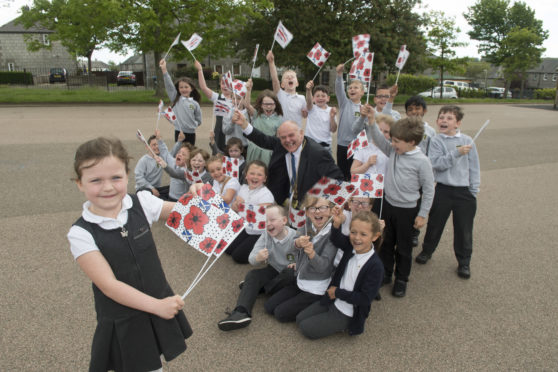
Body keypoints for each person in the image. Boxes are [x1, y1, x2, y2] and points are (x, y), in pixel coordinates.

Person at [67, 137, 192, 371]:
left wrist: (199, 198)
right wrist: (157, 306)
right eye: (95, 180)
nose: (107, 187)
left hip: (158, 303)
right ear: (80, 184)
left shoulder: (140, 203)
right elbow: (109, 286)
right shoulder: (80, 233)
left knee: (152, 361)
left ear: (127, 176)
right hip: (126, 317)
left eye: (116, 177)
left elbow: (183, 212)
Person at [363, 105, 435, 298]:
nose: (392, 144)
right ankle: (386, 273)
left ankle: (401, 278)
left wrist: (422, 214)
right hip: (388, 206)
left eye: (396, 141)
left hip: (407, 210)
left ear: (411, 142)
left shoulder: (422, 161)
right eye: (392, 140)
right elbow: (379, 139)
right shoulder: (394, 151)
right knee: (386, 242)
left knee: (403, 248)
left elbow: (429, 190)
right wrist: (371, 121)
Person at [296, 208, 384, 340]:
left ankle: (346, 324)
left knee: (306, 328)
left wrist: (338, 292)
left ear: (375, 236)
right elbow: (336, 239)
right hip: (333, 299)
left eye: (363, 234)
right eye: (353, 232)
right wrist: (336, 224)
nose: (357, 238)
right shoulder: (351, 246)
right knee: (299, 318)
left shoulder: (375, 266)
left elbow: (365, 298)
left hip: (347, 311)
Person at [415, 106, 480, 279]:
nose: (444, 120)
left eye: (449, 118)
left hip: (464, 193)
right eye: (441, 117)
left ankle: (464, 261)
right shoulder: (436, 141)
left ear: (458, 123)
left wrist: (473, 190)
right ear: (437, 121)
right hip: (443, 189)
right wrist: (456, 153)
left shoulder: (467, 140)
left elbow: (474, 167)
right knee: (435, 224)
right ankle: (427, 251)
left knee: (464, 229)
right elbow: (435, 163)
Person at [232, 112, 344, 209]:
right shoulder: (281, 144)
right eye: (283, 137)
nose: (288, 140)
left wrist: (321, 204)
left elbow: (337, 179)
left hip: (307, 207)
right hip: (284, 201)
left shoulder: (317, 153)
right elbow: (263, 139)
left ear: (301, 133)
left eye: (291, 135)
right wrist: (244, 124)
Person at [217, 204, 297, 331]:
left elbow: (306, 259)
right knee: (252, 275)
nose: (268, 224)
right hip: (274, 270)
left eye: (272, 220)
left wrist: (297, 263)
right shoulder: (266, 235)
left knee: (289, 273)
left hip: (290, 276)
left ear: (284, 221)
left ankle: (259, 287)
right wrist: (258, 258)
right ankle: (241, 312)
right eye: (265, 221)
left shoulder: (295, 237)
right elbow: (251, 258)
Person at [264, 196, 337, 323]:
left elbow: (322, 267)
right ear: (307, 212)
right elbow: (291, 250)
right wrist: (297, 243)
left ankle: (318, 303)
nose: (318, 211)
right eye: (312, 208)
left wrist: (312, 254)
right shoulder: (306, 224)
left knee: (280, 314)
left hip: (315, 287)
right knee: (268, 307)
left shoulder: (333, 235)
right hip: (300, 278)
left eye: (323, 207)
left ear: (330, 211)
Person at [227, 160, 275, 263]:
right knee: (227, 249)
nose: (255, 177)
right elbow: (236, 208)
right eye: (252, 173)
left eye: (259, 175)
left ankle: (268, 247)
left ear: (265, 178)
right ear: (246, 175)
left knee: (237, 257)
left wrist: (243, 207)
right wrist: (235, 206)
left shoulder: (266, 195)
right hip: (246, 226)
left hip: (260, 232)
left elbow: (260, 220)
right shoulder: (243, 188)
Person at [404, 95, 437, 247]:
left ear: (424, 110)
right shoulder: (402, 128)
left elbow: (433, 154)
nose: (414, 112)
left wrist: (431, 177)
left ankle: (414, 233)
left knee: (418, 205)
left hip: (421, 174)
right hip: (405, 173)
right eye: (410, 109)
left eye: (417, 108)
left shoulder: (430, 131)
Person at [160, 59, 202, 144]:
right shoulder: (176, 98)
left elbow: (199, 120)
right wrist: (164, 70)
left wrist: (193, 125)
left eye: (186, 87)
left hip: (191, 133)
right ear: (178, 89)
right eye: (181, 87)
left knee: (190, 154)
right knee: (179, 154)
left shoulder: (195, 104)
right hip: (179, 132)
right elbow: (169, 86)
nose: (183, 89)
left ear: (192, 88)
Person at [335, 63, 365, 180]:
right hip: (342, 145)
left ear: (362, 92)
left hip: (356, 147)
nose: (352, 89)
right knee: (342, 174)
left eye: (356, 88)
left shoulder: (364, 108)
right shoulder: (344, 103)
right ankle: (343, 197)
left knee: (354, 174)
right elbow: (339, 89)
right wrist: (339, 74)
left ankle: (353, 197)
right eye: (350, 88)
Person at [195, 60, 232, 152]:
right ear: (220, 84)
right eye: (223, 83)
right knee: (217, 157)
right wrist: (200, 70)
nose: (225, 86)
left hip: (233, 133)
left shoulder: (237, 100)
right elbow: (203, 88)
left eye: (228, 83)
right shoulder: (217, 97)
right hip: (219, 133)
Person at [267, 50, 307, 127]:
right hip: (281, 131)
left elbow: (304, 115)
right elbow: (275, 80)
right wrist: (271, 62)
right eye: (286, 78)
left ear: (297, 83)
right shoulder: (279, 94)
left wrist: (304, 114)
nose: (289, 78)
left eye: (292, 77)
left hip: (296, 132)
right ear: (282, 85)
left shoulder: (302, 98)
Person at [244, 89, 284, 165]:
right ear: (261, 105)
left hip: (268, 150)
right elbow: (247, 105)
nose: (268, 106)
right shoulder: (256, 114)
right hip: (254, 149)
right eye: (265, 104)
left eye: (271, 104)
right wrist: (249, 90)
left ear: (276, 104)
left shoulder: (279, 119)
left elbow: (278, 138)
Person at [155, 130, 192, 202]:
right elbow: (166, 154)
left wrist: (164, 164)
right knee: (151, 192)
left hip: (179, 201)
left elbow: (174, 173)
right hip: (170, 195)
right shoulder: (174, 162)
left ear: (189, 160)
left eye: (183, 154)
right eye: (179, 152)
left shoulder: (187, 171)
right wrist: (159, 139)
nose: (179, 154)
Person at [304, 80, 338, 151]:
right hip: (311, 145)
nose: (320, 98)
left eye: (323, 96)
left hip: (326, 146)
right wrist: (308, 90)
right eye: (317, 96)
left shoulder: (331, 110)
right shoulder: (311, 108)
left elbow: (333, 129)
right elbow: (309, 101)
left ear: (328, 98)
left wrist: (332, 117)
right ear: (313, 98)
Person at [134, 134, 169, 200]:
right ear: (147, 147)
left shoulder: (162, 157)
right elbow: (138, 178)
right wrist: (151, 188)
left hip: (156, 188)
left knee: (171, 190)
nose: (157, 146)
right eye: (154, 145)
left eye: (158, 144)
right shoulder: (143, 160)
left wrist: (179, 142)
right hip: (143, 189)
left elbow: (170, 155)